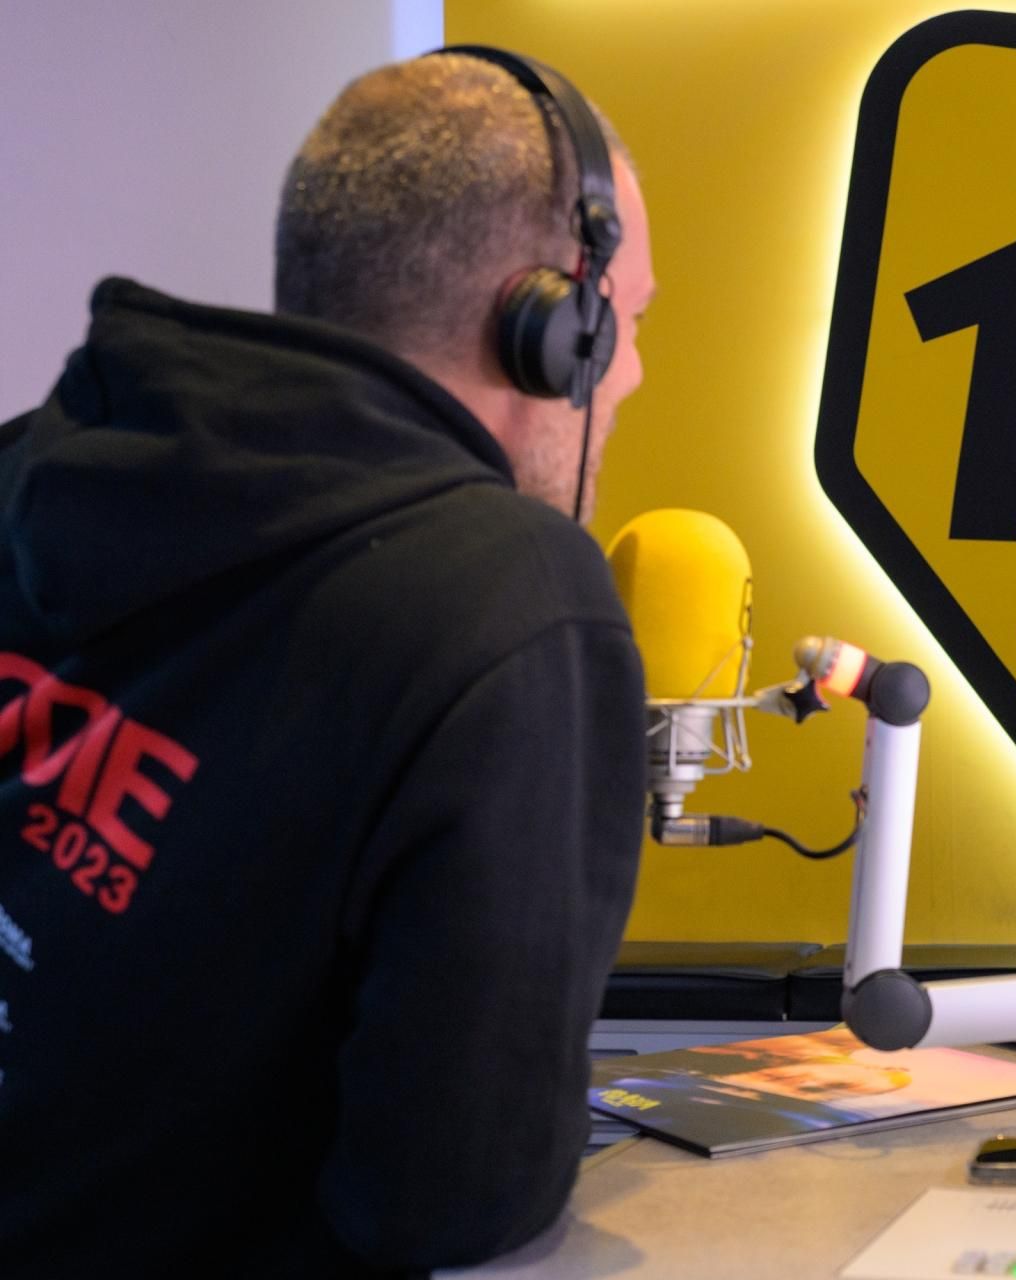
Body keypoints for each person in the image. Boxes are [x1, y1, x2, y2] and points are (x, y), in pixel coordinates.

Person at [0, 49, 654, 1275]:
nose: (630, 373)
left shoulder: (35, 458)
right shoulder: (508, 598)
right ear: (545, 324)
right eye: (624, 326)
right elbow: (455, 1195)